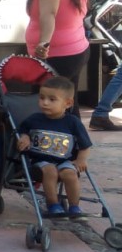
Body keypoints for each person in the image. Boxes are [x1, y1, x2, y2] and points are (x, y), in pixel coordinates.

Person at [25, 0, 89, 116]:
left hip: (55, 56)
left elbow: (49, 14)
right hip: (75, 50)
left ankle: (49, 143)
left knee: (47, 106)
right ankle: (76, 142)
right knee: (67, 104)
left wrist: (44, 43)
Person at [17, 76, 91, 220]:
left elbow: (85, 145)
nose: (44, 102)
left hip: (64, 161)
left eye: (52, 99)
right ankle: (53, 205)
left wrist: (81, 159)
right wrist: (24, 137)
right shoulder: (34, 119)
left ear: (68, 103)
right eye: (42, 98)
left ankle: (74, 207)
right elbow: (22, 130)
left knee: (70, 174)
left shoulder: (72, 122)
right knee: (50, 170)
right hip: (40, 161)